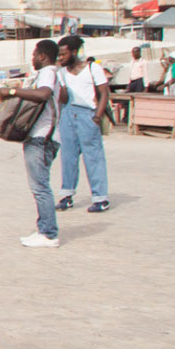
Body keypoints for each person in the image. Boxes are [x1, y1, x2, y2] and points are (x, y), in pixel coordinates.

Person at [0, 39, 67, 248]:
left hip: (42, 137)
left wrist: (12, 92)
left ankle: (48, 233)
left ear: (43, 56)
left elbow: (43, 94)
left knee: (40, 187)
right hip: (50, 136)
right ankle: (44, 229)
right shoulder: (58, 73)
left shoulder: (48, 72)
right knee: (40, 185)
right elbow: (63, 97)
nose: (33, 59)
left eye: (35, 55)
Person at [56, 35, 110, 214]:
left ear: (73, 52)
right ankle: (67, 195)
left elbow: (104, 93)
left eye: (63, 54)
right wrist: (60, 83)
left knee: (93, 157)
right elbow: (63, 98)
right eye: (59, 55)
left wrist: (98, 116)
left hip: (88, 114)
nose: (60, 58)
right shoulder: (61, 72)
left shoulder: (93, 68)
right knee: (68, 156)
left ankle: (100, 198)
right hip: (68, 114)